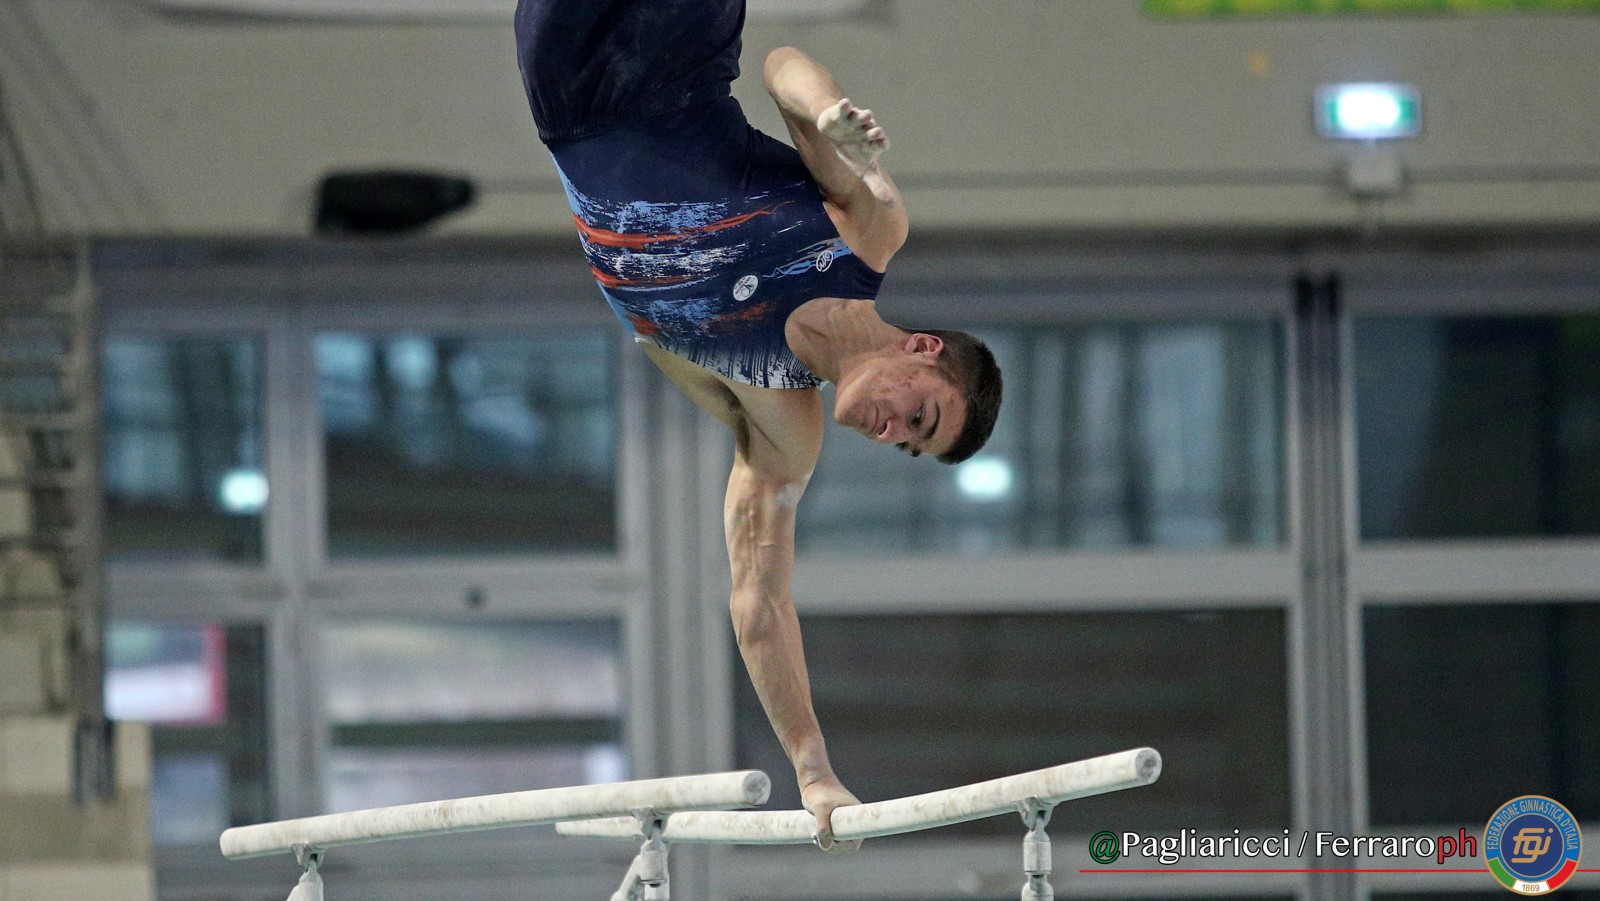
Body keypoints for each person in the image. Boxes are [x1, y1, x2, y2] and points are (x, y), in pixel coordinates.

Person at [514, 0, 1003, 851]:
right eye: (919, 414)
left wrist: (814, 771)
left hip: (570, 96)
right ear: (923, 349)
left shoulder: (783, 425)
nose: (891, 431)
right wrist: (829, 114)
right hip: (679, 65)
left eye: (908, 444)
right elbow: (780, 66)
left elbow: (762, 600)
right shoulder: (867, 233)